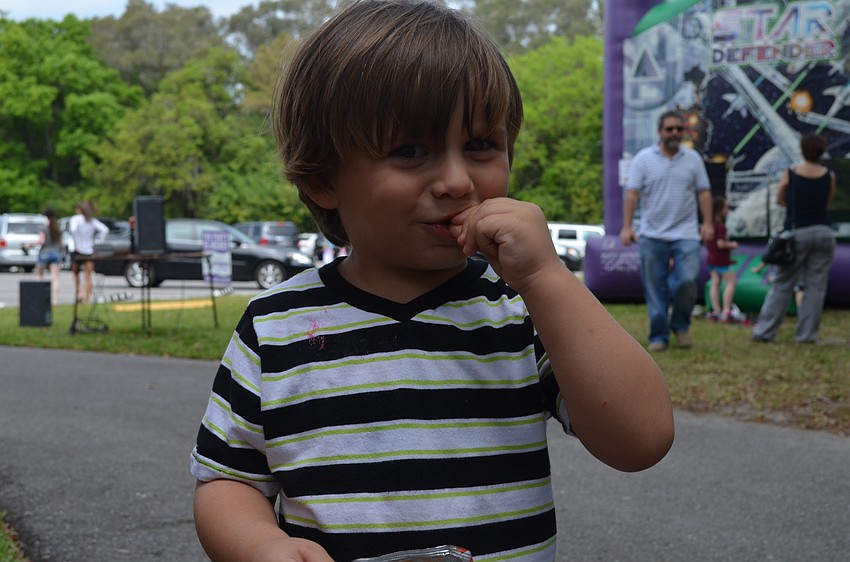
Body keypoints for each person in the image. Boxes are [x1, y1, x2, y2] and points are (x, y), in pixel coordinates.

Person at [189, 2, 675, 561]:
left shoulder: (517, 309)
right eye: (411, 151)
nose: (456, 180)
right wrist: (259, 544)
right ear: (323, 177)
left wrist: (546, 278)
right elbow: (229, 480)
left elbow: (641, 438)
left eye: (480, 145)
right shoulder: (278, 326)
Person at [620, 110, 714, 351]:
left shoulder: (693, 159)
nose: (674, 133)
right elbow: (632, 194)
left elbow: (703, 192)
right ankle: (659, 336)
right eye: (669, 129)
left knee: (687, 280)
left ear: (684, 132)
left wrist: (709, 223)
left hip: (687, 234)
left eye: (678, 129)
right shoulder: (643, 159)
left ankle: (681, 326)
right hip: (652, 235)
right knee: (654, 287)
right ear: (659, 132)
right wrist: (627, 227)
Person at [752, 134, 837, 343]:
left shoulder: (791, 173)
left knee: (782, 284)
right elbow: (828, 205)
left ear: (802, 150)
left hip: (797, 234)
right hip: (823, 233)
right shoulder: (829, 175)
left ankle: (765, 332)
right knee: (815, 287)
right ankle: (807, 335)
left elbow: (780, 198)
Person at [705, 196, 739, 322]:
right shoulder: (720, 226)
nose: (728, 210)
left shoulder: (709, 225)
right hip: (721, 260)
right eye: (726, 207)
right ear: (720, 209)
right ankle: (726, 310)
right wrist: (732, 245)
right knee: (731, 282)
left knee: (715, 282)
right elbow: (720, 244)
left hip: (711, 259)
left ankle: (716, 310)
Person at [69, 201, 108, 304]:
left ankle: (80, 292)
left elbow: (73, 230)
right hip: (89, 250)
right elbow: (105, 230)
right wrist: (98, 241)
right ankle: (87, 299)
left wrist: (76, 241)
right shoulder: (92, 221)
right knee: (88, 276)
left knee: (75, 273)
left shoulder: (76, 219)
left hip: (78, 250)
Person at [25, 207, 63, 304]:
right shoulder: (58, 227)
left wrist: (30, 245)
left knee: (39, 276)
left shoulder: (43, 227)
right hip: (56, 253)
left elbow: (42, 241)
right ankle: (55, 301)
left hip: (44, 253)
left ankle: (39, 299)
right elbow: (62, 243)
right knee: (55, 278)